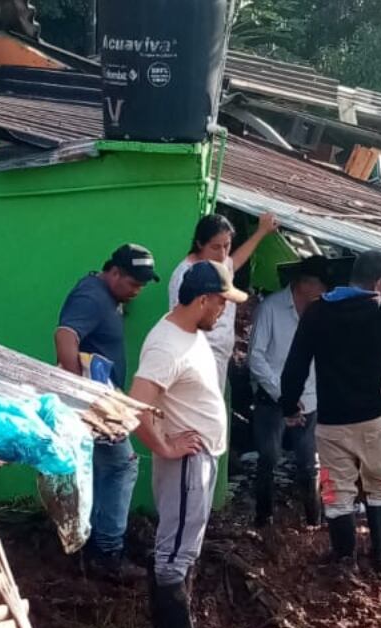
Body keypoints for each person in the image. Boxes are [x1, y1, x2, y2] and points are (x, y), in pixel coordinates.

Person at [280, 250, 381, 573]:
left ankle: (345, 557)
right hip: (375, 418)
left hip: (331, 420)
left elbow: (295, 365)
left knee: (338, 489)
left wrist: (290, 405)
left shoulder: (317, 312)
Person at [129, 260, 243, 628]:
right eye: (220, 303)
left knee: (184, 546)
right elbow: (137, 403)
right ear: (201, 300)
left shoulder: (187, 330)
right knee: (174, 551)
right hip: (187, 462)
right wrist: (163, 446)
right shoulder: (166, 345)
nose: (224, 311)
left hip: (202, 456)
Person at [53, 244, 160, 581]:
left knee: (98, 471)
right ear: (114, 272)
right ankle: (108, 552)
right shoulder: (92, 296)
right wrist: (79, 394)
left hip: (102, 400)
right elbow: (65, 336)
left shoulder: (106, 297)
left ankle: (89, 546)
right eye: (132, 283)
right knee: (123, 465)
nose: (137, 291)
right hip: (96, 404)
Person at [247, 256, 330, 528]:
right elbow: (256, 357)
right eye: (320, 285)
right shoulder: (271, 308)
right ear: (304, 284)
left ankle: (313, 520)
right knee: (269, 458)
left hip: (309, 399)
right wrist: (283, 397)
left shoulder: (322, 311)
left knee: (309, 463)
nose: (324, 291)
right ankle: (264, 517)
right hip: (272, 399)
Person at [167, 212, 278, 388]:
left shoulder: (220, 263)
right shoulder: (185, 276)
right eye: (216, 247)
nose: (222, 253)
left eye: (227, 246)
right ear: (199, 244)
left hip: (221, 356)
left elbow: (233, 263)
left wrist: (261, 232)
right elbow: (183, 321)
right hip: (200, 356)